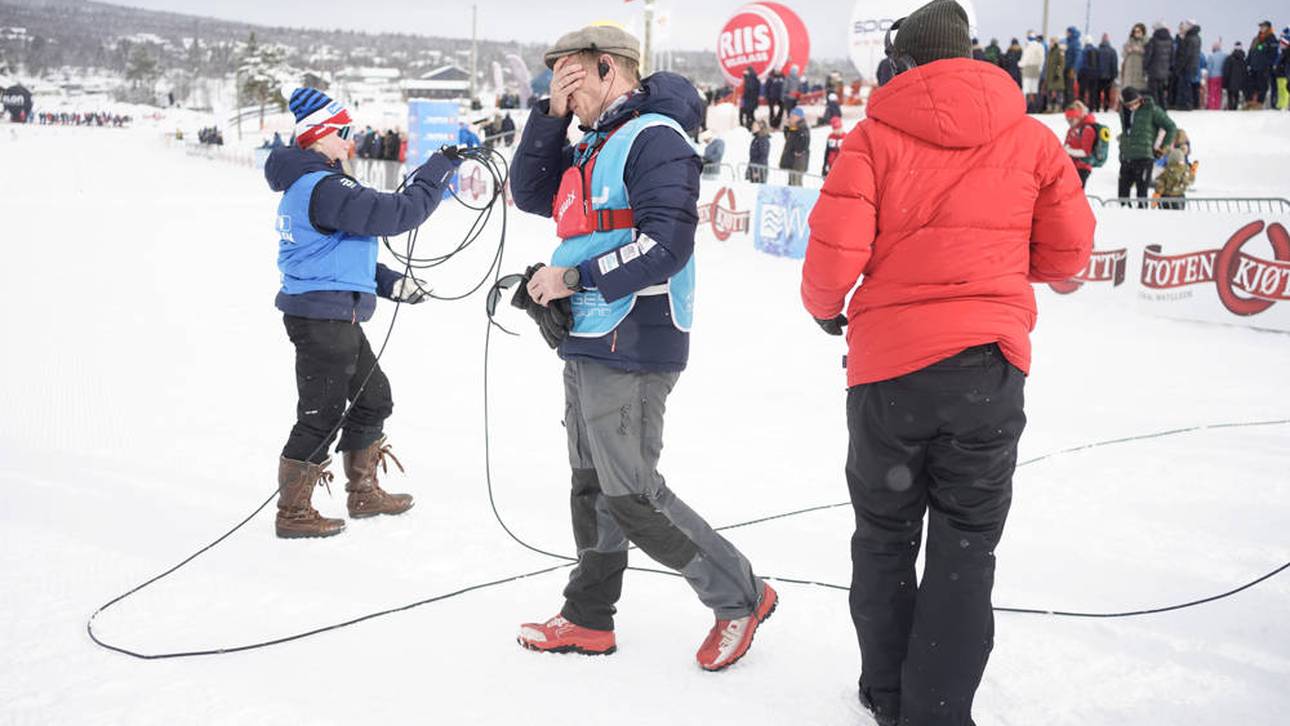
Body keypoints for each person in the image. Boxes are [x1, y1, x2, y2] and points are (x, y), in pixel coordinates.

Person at [800, 2, 1094, 723]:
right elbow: (1068, 258)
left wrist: (823, 307)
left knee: (883, 537)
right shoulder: (1031, 139)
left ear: (905, 61)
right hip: (987, 370)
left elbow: (832, 258)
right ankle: (936, 710)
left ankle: (888, 693)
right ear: (969, 55)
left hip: (890, 373)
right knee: (965, 549)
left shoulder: (873, 136)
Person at [507, 24, 776, 672]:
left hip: (634, 339)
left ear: (608, 69)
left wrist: (572, 277)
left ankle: (740, 594)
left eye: (569, 79)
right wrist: (547, 115)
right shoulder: (591, 141)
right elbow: (528, 193)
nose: (562, 95)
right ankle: (589, 617)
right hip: (589, 336)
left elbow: (666, 244)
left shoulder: (656, 138)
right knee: (592, 486)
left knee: (631, 494)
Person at [266, 88, 460, 538]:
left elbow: (334, 255)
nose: (349, 141)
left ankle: (363, 490)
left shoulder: (315, 182)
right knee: (322, 414)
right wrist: (437, 171)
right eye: (343, 133)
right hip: (321, 318)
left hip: (336, 312)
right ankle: (292, 513)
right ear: (319, 135)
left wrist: (391, 282)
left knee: (374, 398)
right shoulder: (324, 186)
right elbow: (395, 214)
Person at [1117, 86, 1177, 205]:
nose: (1132, 107)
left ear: (1140, 99)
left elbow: (1171, 127)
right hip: (1127, 156)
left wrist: (1164, 147)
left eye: (1135, 103)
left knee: (1142, 194)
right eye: (1128, 105)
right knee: (1122, 195)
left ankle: (1143, 218)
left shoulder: (1151, 109)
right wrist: (1123, 140)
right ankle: (1124, 217)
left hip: (1144, 157)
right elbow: (1130, 130)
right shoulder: (1124, 112)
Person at [1063, 101, 1098, 187]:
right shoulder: (1072, 129)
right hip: (1072, 167)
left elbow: (1085, 152)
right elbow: (1068, 144)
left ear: (1078, 117)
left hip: (1082, 168)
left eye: (1071, 119)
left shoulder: (1087, 129)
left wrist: (1068, 151)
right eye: (1067, 119)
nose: (1069, 121)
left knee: (1076, 195)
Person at [1246, 21, 1278, 109]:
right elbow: (1250, 52)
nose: (1261, 28)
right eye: (1260, 27)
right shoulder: (1256, 39)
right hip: (1253, 67)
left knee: (1262, 87)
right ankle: (1250, 103)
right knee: (1251, 86)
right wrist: (1248, 63)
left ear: (1268, 27)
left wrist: (1267, 65)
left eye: (1263, 26)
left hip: (1264, 69)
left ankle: (1259, 104)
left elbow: (1273, 55)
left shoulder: (1271, 39)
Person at [1143, 23, 1174, 108]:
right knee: (1162, 91)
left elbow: (1148, 56)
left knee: (1153, 92)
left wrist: (1144, 67)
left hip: (1153, 71)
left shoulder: (1153, 40)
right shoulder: (1170, 40)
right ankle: (1163, 107)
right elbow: (1172, 57)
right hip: (1164, 71)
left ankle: (1155, 108)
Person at [780, 106, 810, 185]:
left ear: (798, 117)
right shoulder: (794, 127)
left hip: (798, 161)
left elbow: (804, 141)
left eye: (792, 117)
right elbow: (789, 139)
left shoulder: (802, 127)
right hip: (792, 159)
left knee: (796, 183)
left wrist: (799, 151)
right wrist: (787, 129)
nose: (790, 118)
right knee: (791, 182)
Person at [1020, 31, 1045, 111]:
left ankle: (1025, 107)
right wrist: (1039, 68)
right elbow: (1042, 58)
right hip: (1036, 69)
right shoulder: (1040, 46)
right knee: (1034, 89)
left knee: (1026, 88)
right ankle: (1035, 106)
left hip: (1028, 68)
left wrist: (1020, 64)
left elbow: (1025, 58)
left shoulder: (1028, 46)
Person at [1122, 23, 1148, 93]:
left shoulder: (1146, 43)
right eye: (1134, 31)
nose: (1136, 33)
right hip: (1129, 75)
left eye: (1138, 31)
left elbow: (1149, 54)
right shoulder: (1128, 43)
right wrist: (1127, 51)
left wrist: (1139, 50)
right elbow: (1123, 55)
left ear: (1143, 32)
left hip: (1140, 74)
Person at [1096, 33, 1119, 112]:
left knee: (1098, 92)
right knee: (1107, 92)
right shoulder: (1112, 51)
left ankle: (1097, 106)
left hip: (1098, 75)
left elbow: (1095, 63)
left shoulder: (1097, 50)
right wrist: (1115, 75)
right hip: (1109, 76)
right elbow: (1114, 63)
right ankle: (1106, 107)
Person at [1224, 42, 1249, 109]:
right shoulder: (1243, 59)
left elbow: (1226, 71)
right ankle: (1235, 107)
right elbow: (1245, 71)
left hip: (1230, 81)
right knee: (1236, 95)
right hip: (1239, 82)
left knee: (1230, 95)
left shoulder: (1229, 58)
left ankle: (1230, 107)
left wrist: (1225, 81)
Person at [1065, 26, 1084, 108]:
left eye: (1068, 32)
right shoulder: (1068, 42)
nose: (1066, 34)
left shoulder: (1076, 42)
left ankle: (1070, 105)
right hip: (1066, 68)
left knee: (1070, 88)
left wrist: (1074, 68)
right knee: (1066, 88)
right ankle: (1066, 104)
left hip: (1071, 69)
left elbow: (1078, 57)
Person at [1045, 37, 1066, 112]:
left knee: (1058, 92)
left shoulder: (1059, 51)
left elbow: (1061, 63)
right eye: (1050, 41)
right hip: (1050, 76)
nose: (1050, 43)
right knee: (1049, 92)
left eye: (1052, 41)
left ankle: (1058, 107)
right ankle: (1049, 107)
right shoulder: (1050, 51)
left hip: (1056, 76)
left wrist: (1058, 73)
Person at [1208, 41, 1228, 110]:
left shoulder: (1211, 56)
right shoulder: (1225, 56)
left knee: (1212, 92)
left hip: (1213, 76)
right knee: (1219, 93)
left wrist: (1209, 76)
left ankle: (1212, 106)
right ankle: (1217, 106)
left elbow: (1209, 68)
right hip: (1221, 76)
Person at [740, 65, 761, 130]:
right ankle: (753, 126)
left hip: (749, 99)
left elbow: (750, 88)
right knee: (751, 114)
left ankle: (749, 127)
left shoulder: (751, 79)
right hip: (753, 99)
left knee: (749, 114)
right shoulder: (755, 78)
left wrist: (745, 95)